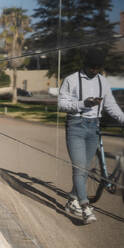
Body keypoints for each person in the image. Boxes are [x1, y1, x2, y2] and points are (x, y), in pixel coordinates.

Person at [58, 48, 124, 224]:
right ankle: (85, 207)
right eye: (91, 67)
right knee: (79, 168)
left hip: (93, 127)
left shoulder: (103, 82)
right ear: (85, 64)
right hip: (76, 127)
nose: (94, 71)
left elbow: (111, 105)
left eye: (97, 68)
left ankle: (72, 200)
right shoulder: (71, 80)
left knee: (85, 169)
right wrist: (83, 104)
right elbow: (62, 104)